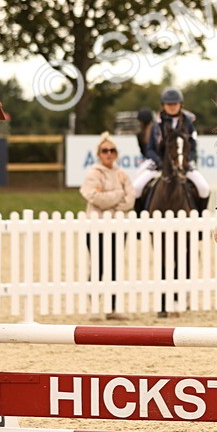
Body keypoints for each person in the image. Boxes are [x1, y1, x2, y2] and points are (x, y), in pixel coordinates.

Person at [133, 86, 211, 212]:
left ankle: (200, 220)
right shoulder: (156, 125)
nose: (172, 106)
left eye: (175, 103)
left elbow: (193, 147)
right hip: (158, 165)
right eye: (169, 104)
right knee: (136, 188)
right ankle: (139, 222)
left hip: (183, 164)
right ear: (163, 105)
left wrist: (186, 161)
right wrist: (159, 162)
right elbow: (150, 149)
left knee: (204, 188)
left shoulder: (188, 123)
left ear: (180, 104)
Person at [80, 133, 135, 312]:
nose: (108, 154)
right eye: (105, 151)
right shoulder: (93, 174)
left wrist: (107, 196)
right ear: (99, 153)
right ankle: (95, 304)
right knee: (98, 265)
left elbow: (130, 200)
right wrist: (118, 195)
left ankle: (112, 307)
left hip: (117, 228)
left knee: (115, 266)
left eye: (112, 150)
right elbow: (94, 197)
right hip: (96, 228)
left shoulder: (122, 174)